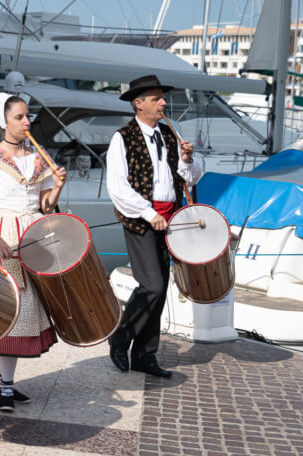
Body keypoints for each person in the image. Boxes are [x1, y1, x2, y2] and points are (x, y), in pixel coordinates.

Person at [0, 92, 66, 412]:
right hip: (6, 234)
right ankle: (6, 386)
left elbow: (44, 206)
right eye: (19, 118)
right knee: (13, 307)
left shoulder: (38, 156)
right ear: (3, 121)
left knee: (29, 308)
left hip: (34, 232)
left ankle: (3, 381)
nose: (27, 122)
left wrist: (57, 188)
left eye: (28, 116)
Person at [105, 75, 202, 378]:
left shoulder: (170, 134)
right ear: (139, 103)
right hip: (140, 220)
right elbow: (118, 188)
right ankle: (120, 336)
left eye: (162, 98)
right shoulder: (122, 138)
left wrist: (187, 160)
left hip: (169, 220)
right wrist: (149, 213)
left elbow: (192, 177)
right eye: (156, 98)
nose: (163, 103)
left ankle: (145, 355)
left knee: (160, 292)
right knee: (153, 285)